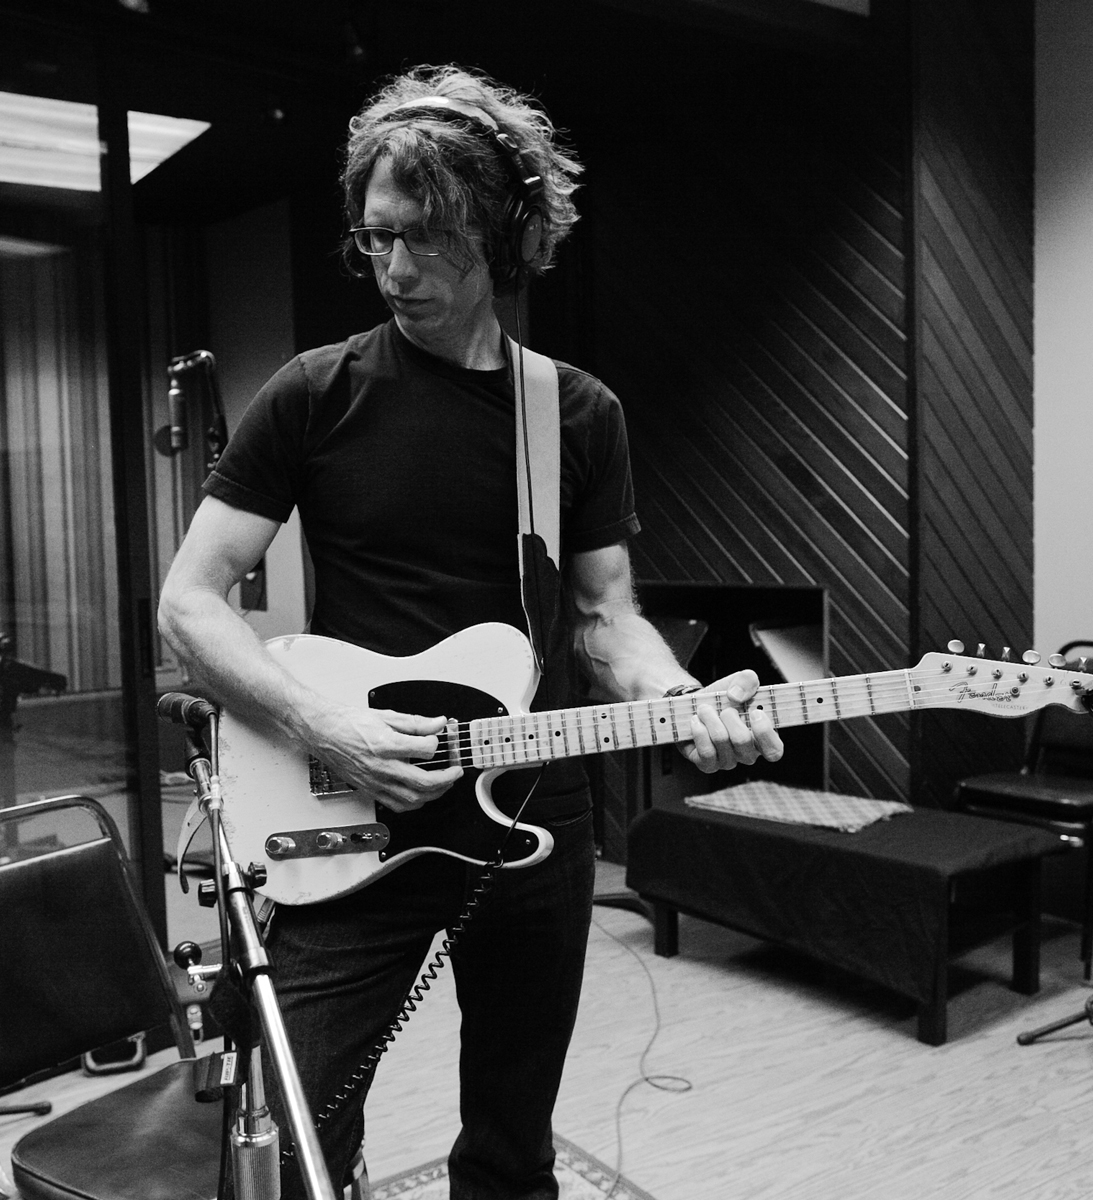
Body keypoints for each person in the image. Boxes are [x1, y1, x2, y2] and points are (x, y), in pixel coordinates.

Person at [157, 64, 783, 1200]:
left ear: (506, 236)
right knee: (297, 1130)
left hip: (532, 811)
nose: (396, 271)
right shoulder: (315, 392)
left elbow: (605, 618)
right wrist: (324, 727)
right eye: (377, 238)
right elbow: (188, 600)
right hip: (348, 805)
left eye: (429, 239)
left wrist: (682, 696)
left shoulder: (577, 413)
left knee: (511, 1143)